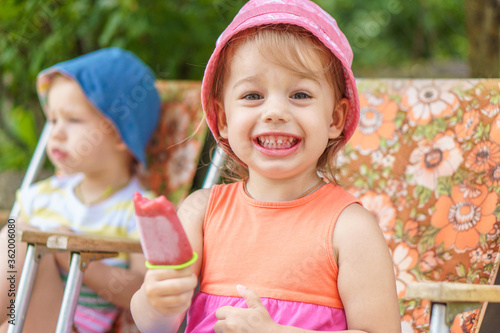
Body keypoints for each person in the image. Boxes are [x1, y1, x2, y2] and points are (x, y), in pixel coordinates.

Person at [131, 0, 401, 332]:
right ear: (224, 118)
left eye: (300, 95)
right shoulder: (200, 214)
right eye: (252, 96)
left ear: (335, 118)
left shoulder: (350, 228)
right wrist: (155, 302)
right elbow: (156, 327)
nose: (274, 111)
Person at [0, 47, 161, 332]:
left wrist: (76, 258)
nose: (56, 133)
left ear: (120, 133)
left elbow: (145, 293)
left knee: (22, 238)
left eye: (72, 120)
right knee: (16, 232)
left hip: (68, 324)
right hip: (15, 321)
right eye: (52, 120)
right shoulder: (42, 196)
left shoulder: (141, 210)